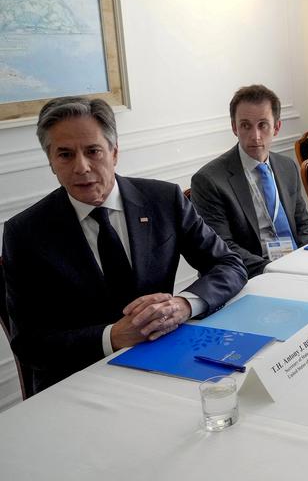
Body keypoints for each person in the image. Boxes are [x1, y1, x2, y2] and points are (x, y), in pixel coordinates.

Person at [3, 97, 246, 393]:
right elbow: (29, 344)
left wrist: (183, 305)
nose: (81, 167)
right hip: (80, 381)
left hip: (166, 361)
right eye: (65, 155)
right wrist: (112, 337)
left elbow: (228, 264)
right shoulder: (25, 233)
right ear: (51, 162)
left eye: (93, 151)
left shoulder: (163, 200)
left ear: (114, 152)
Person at [191, 85, 308, 277]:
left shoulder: (287, 167)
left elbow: (303, 224)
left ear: (276, 127)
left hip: (297, 268)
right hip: (249, 275)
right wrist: (274, 270)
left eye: (263, 125)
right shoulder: (209, 180)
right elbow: (223, 247)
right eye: (246, 125)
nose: (255, 136)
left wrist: (306, 260)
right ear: (234, 127)